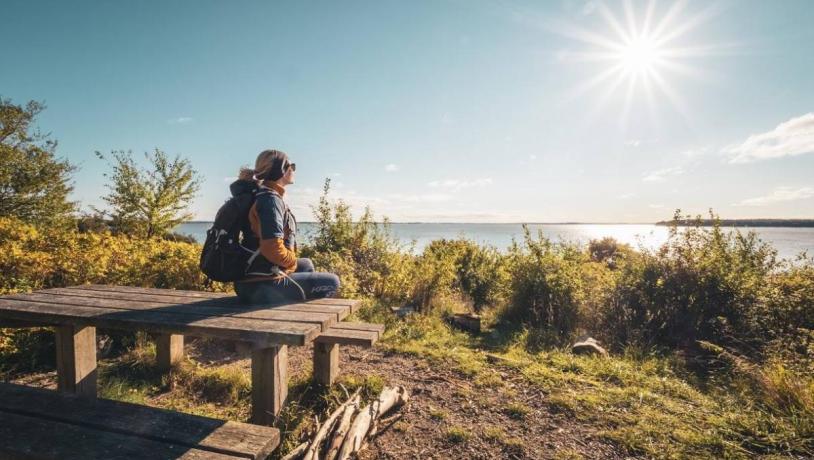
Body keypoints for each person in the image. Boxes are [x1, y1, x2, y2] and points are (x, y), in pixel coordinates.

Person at [231, 149, 340, 305]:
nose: (293, 170)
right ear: (281, 169)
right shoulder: (270, 200)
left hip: (253, 277)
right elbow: (272, 249)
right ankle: (297, 320)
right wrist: (292, 262)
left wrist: (292, 262)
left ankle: (295, 315)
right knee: (333, 282)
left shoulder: (265, 195)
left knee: (307, 264)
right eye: (291, 166)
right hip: (259, 284)